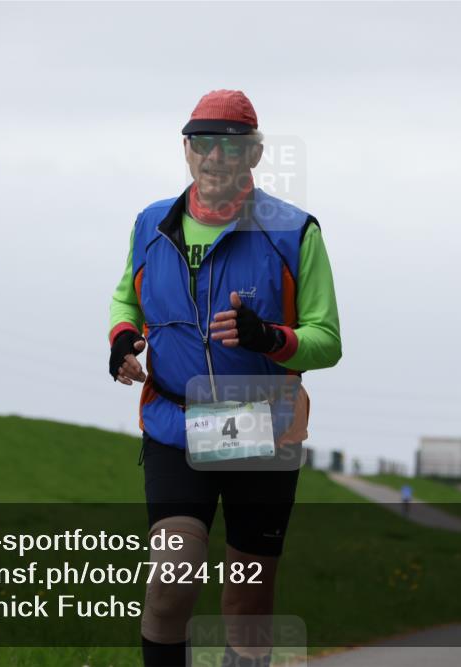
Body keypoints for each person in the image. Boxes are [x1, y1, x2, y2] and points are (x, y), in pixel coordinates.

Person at [108, 90, 341, 667]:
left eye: (231, 146)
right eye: (203, 144)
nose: (215, 158)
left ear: (255, 154)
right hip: (175, 422)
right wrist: (120, 340)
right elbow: (125, 298)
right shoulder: (150, 223)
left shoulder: (294, 232)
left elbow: (327, 340)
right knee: (172, 576)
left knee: (248, 600)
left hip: (261, 424)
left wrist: (269, 338)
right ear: (187, 151)